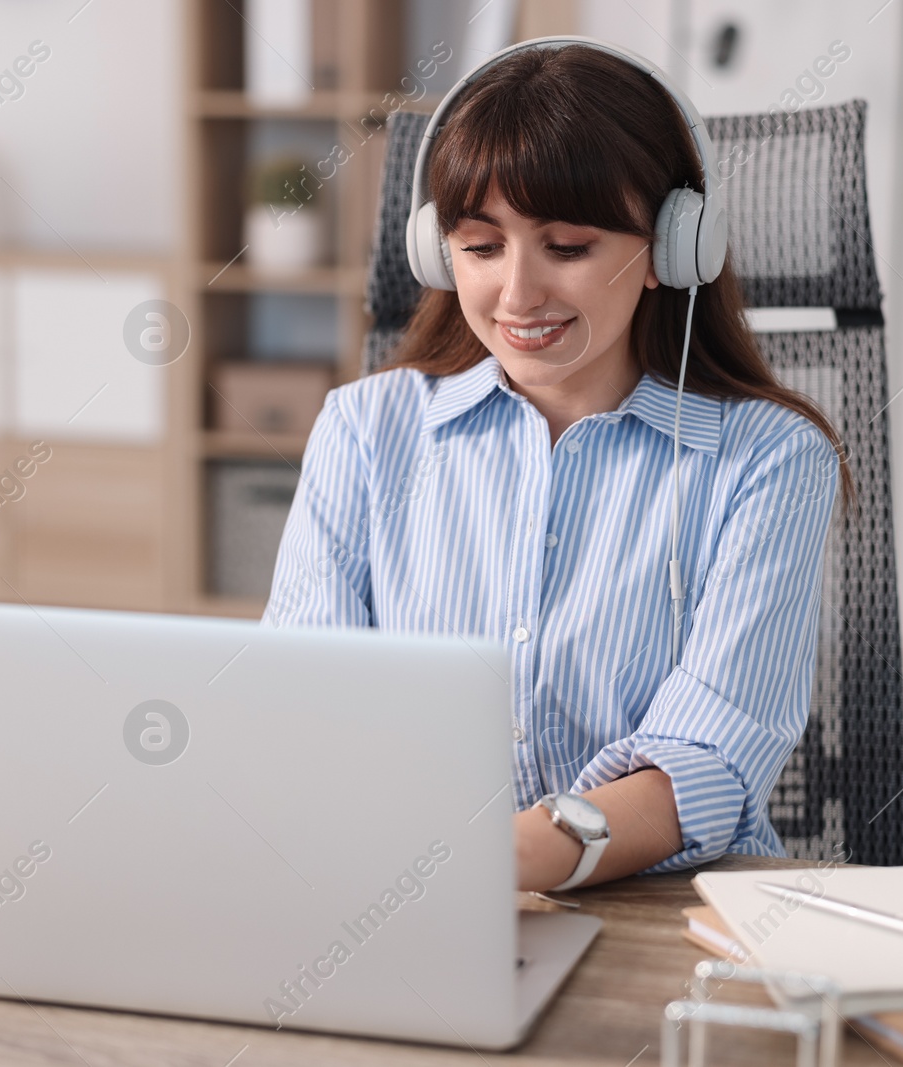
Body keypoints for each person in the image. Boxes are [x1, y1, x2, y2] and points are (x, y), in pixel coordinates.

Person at [263, 41, 848, 893]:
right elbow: (304, 705)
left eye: (566, 246)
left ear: (670, 247)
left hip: (664, 910)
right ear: (438, 253)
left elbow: (710, 758)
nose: (516, 294)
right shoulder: (365, 429)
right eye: (480, 247)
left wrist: (495, 863)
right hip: (396, 896)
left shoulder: (766, 460)